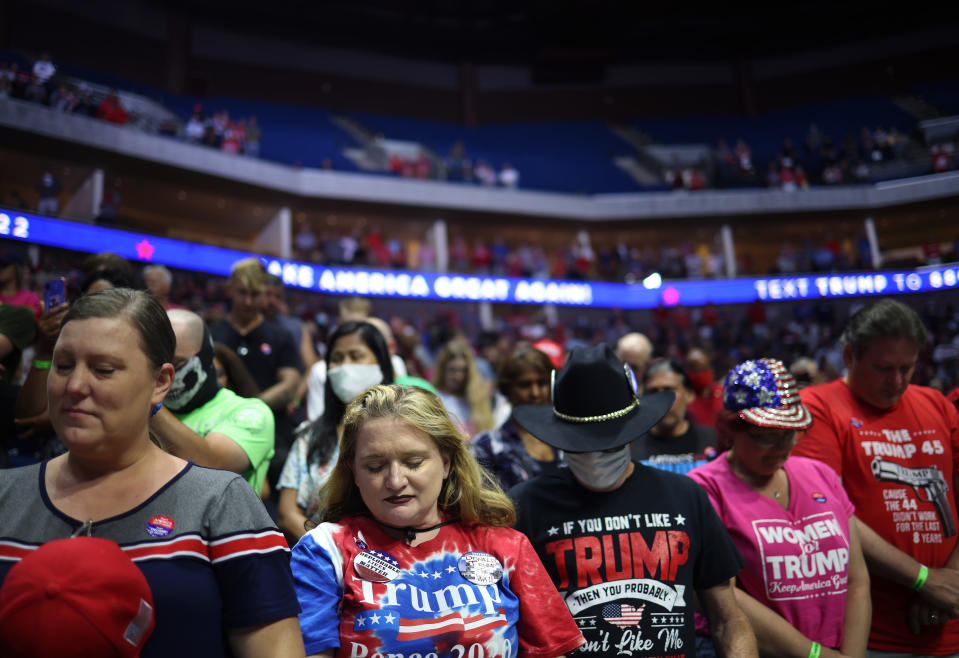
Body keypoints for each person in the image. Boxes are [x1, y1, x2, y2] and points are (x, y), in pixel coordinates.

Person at [0, 288, 304, 657]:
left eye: (104, 370)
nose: (76, 386)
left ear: (160, 383)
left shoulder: (221, 502)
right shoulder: (6, 495)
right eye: (63, 365)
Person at [290, 384, 585, 658]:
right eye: (375, 466)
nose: (395, 481)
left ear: (446, 462)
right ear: (353, 471)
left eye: (413, 462)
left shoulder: (505, 546)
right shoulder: (324, 551)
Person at [509, 344, 758, 658]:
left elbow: (727, 619)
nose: (596, 457)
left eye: (608, 445)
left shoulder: (684, 496)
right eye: (582, 447)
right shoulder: (525, 506)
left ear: (630, 434)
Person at [793, 299, 959, 655]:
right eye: (884, 368)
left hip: (949, 617)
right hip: (870, 629)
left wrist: (949, 583)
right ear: (849, 356)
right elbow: (829, 513)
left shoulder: (937, 404)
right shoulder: (819, 406)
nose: (896, 381)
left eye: (907, 368)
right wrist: (923, 579)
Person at [689, 358, 870, 658]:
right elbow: (724, 596)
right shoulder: (704, 489)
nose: (783, 447)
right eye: (767, 437)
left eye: (790, 433)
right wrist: (815, 655)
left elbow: (857, 580)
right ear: (727, 429)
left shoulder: (820, 474)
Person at [277, 321, 394, 542]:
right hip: (324, 562)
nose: (344, 367)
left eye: (356, 356)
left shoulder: (408, 431)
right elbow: (287, 513)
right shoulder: (310, 437)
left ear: (380, 363)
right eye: (337, 359)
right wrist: (334, 552)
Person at [149, 309, 275, 496]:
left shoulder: (251, 413)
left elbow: (210, 465)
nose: (166, 376)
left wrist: (147, 402)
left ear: (205, 357)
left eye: (178, 363)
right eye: (156, 365)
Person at [211, 258, 302, 489]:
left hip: (273, 435)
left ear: (266, 293)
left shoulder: (280, 336)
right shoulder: (213, 334)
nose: (248, 301)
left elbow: (290, 383)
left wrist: (250, 409)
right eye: (242, 293)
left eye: (255, 294)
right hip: (218, 430)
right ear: (230, 289)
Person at [471, 346, 564, 489]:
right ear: (508, 388)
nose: (535, 393)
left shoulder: (568, 438)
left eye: (542, 383)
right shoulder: (488, 446)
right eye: (525, 385)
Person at [631, 359, 717, 473]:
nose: (662, 400)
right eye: (653, 392)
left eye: (669, 391)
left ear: (689, 394)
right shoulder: (630, 447)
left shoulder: (714, 440)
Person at [431, 341, 495, 437]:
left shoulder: (476, 399)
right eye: (453, 370)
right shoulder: (435, 399)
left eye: (463, 370)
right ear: (443, 370)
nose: (458, 376)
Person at [686, 347, 724, 428]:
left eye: (702, 368)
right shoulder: (684, 397)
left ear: (709, 368)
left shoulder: (723, 393)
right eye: (694, 369)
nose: (698, 374)